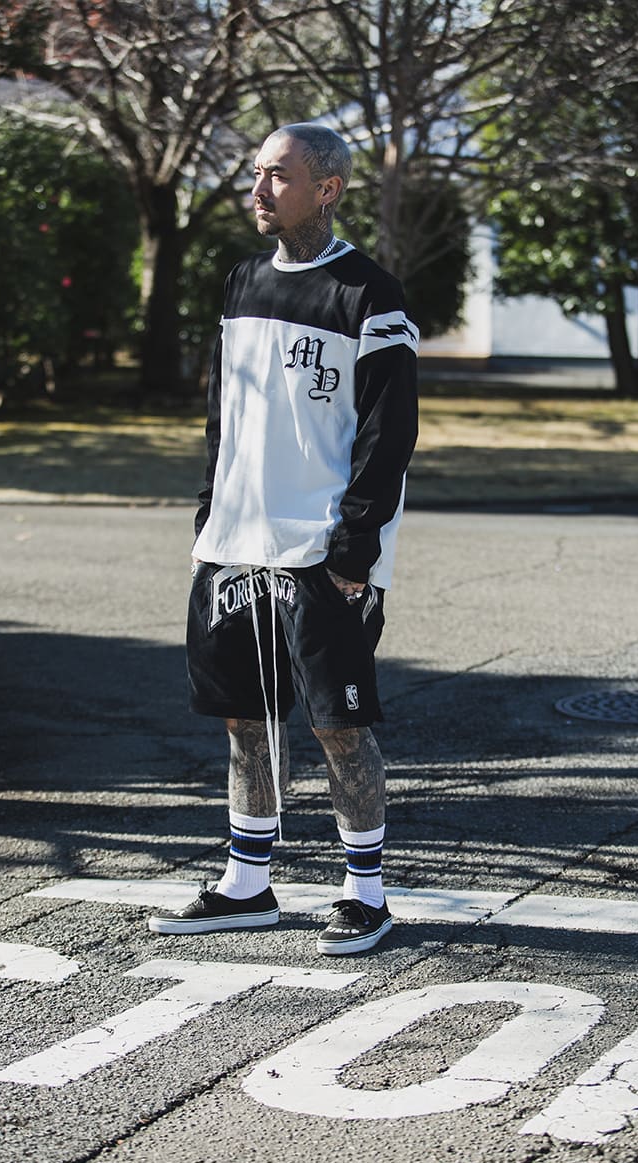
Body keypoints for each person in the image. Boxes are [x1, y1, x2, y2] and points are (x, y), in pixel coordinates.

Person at [148, 122, 418, 955]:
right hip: (234, 543)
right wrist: (210, 513)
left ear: (327, 189)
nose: (258, 189)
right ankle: (247, 884)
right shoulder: (242, 283)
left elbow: (389, 435)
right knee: (245, 719)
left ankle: (366, 895)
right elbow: (222, 414)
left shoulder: (370, 295)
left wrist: (355, 552)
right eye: (257, 173)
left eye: (278, 175)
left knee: (339, 727)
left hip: (322, 550)